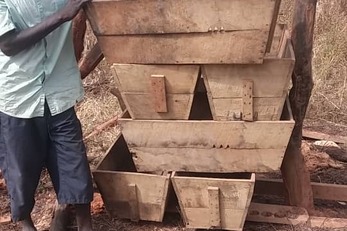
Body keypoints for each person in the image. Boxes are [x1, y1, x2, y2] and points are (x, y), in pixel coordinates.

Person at [0, 0, 94, 231]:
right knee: (20, 169)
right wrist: (63, 16)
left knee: (74, 163)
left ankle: (84, 225)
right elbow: (8, 44)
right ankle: (27, 225)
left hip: (59, 92)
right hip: (18, 97)